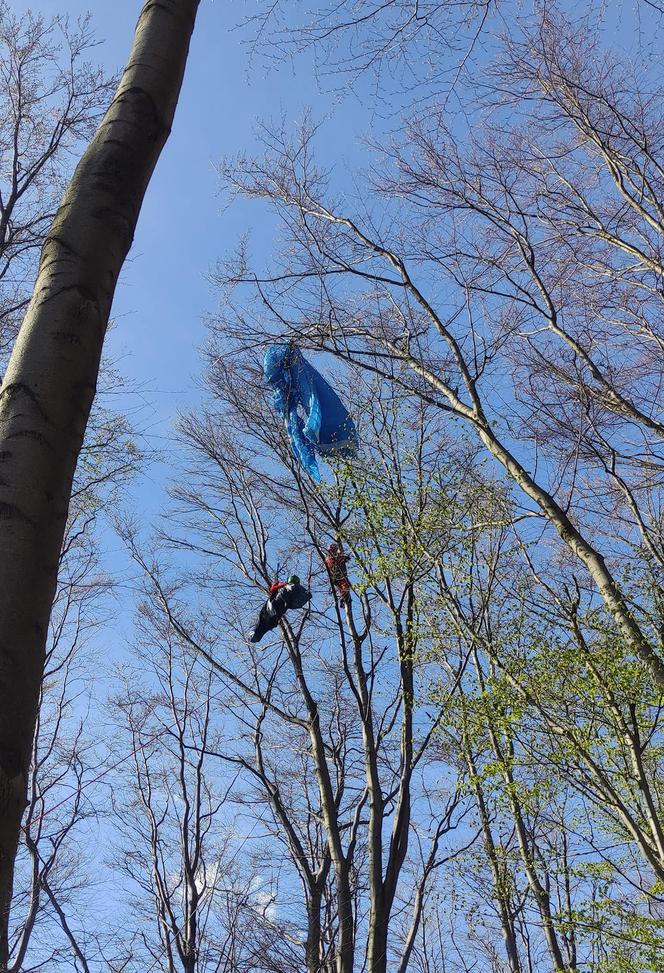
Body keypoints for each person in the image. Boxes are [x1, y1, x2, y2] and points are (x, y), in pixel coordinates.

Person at [248, 575, 311, 643]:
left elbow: (276, 591)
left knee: (262, 624)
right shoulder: (298, 591)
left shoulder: (287, 587)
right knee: (263, 626)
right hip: (276, 614)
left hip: (272, 609)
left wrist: (276, 587)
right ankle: (255, 636)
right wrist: (275, 589)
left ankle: (254, 635)